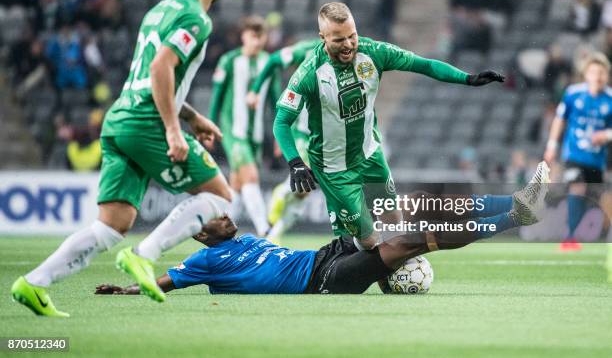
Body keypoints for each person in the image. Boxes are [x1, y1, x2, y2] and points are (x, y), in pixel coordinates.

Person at [11, 0, 232, 317]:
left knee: (112, 225)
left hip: (120, 118)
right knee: (220, 196)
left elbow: (153, 74)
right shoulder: (197, 18)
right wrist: (173, 131)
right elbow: (161, 68)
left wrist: (191, 117)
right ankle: (145, 255)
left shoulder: (159, 10)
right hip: (146, 122)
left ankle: (33, 283)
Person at [94, 166, 549, 295]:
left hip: (322, 255)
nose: (224, 214)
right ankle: (514, 219)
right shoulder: (203, 262)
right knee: (408, 240)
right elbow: (165, 282)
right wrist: (127, 289)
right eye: (212, 216)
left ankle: (513, 202)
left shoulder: (244, 238)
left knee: (403, 207)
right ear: (198, 233)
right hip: (325, 282)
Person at [273, 2, 505, 250]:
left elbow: (423, 64)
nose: (349, 44)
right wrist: (295, 162)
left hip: (370, 154)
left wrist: (467, 79)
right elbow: (281, 122)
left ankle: (395, 274)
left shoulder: (374, 52)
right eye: (339, 40)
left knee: (396, 226)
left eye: (352, 35)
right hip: (333, 168)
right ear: (323, 38)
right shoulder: (309, 73)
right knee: (369, 242)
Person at [208, 16, 279, 236]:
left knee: (238, 184)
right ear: (243, 37)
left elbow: (275, 101)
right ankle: (265, 229)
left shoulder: (270, 62)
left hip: (255, 134)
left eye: (260, 37)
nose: (256, 42)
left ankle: (220, 230)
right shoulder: (229, 61)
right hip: (233, 131)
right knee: (250, 176)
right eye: (252, 36)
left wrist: (278, 135)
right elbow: (217, 97)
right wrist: (210, 127)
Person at [246, 38, 319, 243]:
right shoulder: (307, 50)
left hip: (321, 134)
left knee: (304, 192)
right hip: (303, 131)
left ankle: (274, 236)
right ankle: (282, 192)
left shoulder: (345, 55)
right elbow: (274, 60)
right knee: (304, 184)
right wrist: (255, 90)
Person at [544, 52, 612, 252]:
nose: (598, 76)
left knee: (597, 196)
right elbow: (559, 120)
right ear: (586, 74)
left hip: (598, 159)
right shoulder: (573, 93)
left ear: (606, 75)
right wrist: (551, 146)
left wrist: (606, 135)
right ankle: (570, 237)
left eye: (601, 72)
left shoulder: (610, 99)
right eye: (593, 72)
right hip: (574, 154)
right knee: (577, 187)